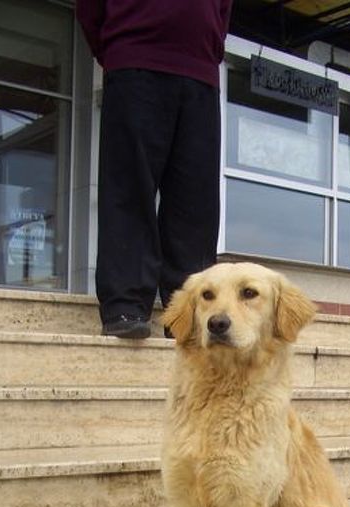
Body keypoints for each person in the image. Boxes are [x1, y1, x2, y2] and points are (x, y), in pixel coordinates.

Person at [76, 0, 233, 338]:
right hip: (135, 58)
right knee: (130, 188)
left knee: (196, 202)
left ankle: (189, 311)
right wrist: (121, 48)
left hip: (201, 73)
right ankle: (126, 304)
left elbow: (223, 11)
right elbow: (90, 9)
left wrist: (206, 48)